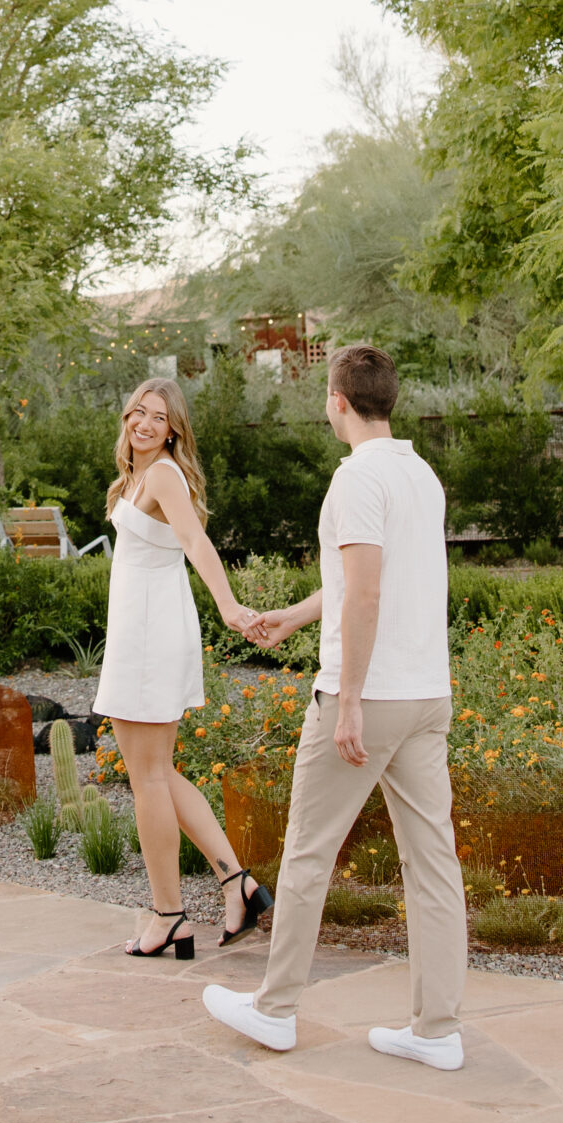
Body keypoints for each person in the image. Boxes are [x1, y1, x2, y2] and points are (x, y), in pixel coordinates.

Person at [201, 342, 469, 1068]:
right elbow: (363, 582)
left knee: (308, 854)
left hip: (368, 698)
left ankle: (275, 1009)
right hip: (426, 697)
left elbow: (369, 592)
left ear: (336, 402)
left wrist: (346, 698)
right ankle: (437, 1031)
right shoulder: (419, 474)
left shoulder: (355, 479)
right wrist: (292, 614)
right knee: (433, 864)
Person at [94, 377, 276, 960]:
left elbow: (198, 543)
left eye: (157, 417)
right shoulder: (140, 477)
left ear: (174, 429)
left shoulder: (165, 474)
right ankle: (236, 884)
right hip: (142, 631)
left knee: (147, 778)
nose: (144, 424)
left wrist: (229, 607)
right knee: (158, 772)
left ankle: (168, 915)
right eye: (136, 412)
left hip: (149, 636)